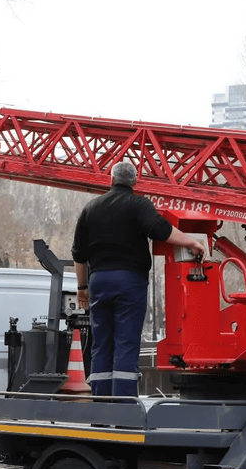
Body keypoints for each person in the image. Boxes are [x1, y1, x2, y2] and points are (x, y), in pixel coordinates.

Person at [71, 160, 205, 397]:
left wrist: (82, 287)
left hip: (99, 280)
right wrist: (192, 242)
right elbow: (161, 229)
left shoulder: (90, 208)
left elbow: (79, 255)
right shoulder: (139, 204)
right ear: (134, 182)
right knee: (126, 341)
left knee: (101, 342)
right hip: (129, 281)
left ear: (110, 180)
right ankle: (123, 406)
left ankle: (101, 403)